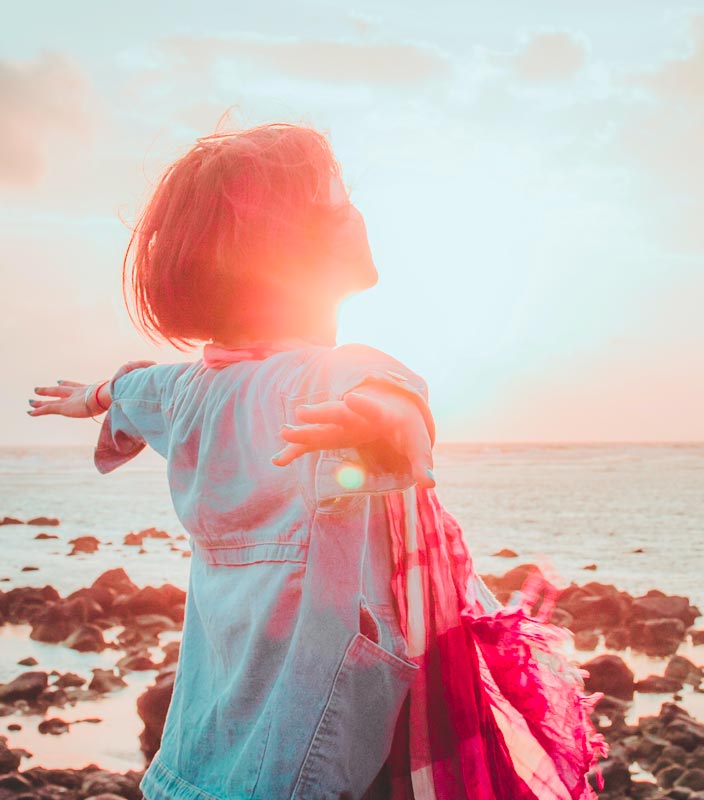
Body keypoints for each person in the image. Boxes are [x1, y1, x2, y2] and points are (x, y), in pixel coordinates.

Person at [29, 123, 606, 799]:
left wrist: (95, 396)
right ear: (284, 249)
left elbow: (139, 389)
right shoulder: (334, 376)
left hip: (206, 753)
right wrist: (380, 425)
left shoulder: (192, 391)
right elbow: (395, 405)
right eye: (337, 201)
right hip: (320, 755)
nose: (356, 211)